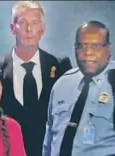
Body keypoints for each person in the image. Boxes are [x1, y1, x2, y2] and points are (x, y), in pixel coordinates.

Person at [0, 1, 72, 156]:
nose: (29, 30)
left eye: (35, 23)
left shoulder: (60, 66)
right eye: (22, 23)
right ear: (12, 28)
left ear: (42, 29)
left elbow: (66, 120)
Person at [42, 20, 115, 156]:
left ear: (108, 49)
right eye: (82, 46)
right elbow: (49, 140)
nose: (88, 52)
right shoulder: (62, 84)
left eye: (96, 45)